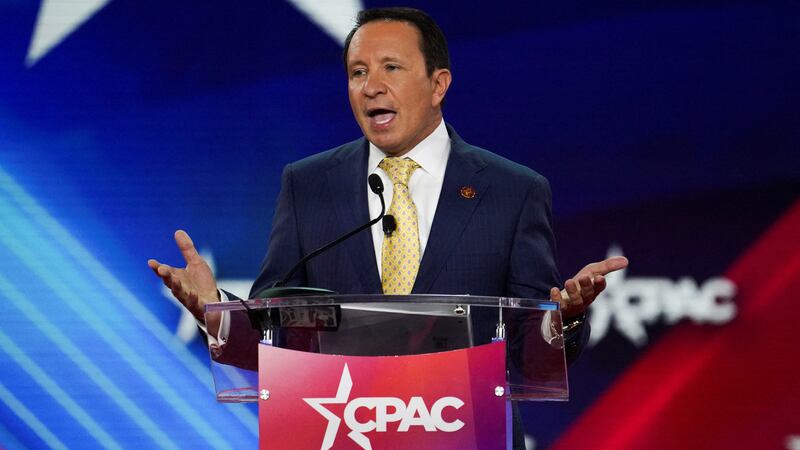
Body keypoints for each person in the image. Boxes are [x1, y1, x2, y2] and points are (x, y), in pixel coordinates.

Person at [148, 7, 627, 448]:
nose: (371, 86)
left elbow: (530, 359)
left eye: (390, 67)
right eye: (358, 72)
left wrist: (562, 319)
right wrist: (214, 310)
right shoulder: (309, 185)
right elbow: (274, 339)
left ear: (438, 84)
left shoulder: (512, 191)